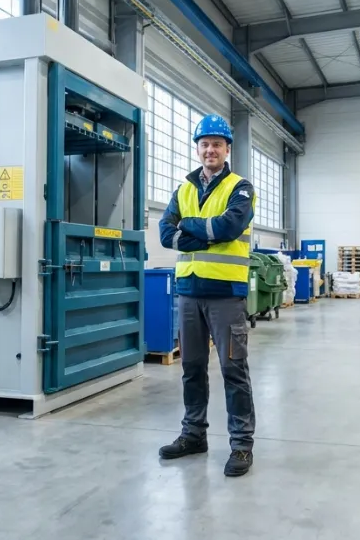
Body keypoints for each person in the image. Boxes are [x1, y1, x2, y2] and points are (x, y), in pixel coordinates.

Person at [157, 113, 257, 477]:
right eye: (205, 144)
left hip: (226, 295)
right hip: (188, 293)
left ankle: (242, 445)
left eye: (217, 143)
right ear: (197, 150)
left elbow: (230, 225)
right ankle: (193, 434)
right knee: (191, 368)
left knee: (233, 369)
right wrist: (203, 231)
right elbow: (165, 234)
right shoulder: (183, 189)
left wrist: (189, 225)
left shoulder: (240, 187)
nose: (210, 149)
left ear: (227, 148)